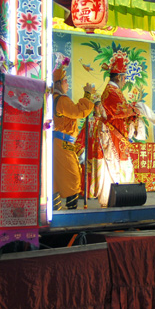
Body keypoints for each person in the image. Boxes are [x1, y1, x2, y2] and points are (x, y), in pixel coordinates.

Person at [87, 53, 139, 207]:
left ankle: (120, 197)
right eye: (124, 78)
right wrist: (135, 110)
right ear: (119, 77)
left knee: (120, 165)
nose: (125, 81)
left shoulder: (114, 91)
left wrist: (132, 115)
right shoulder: (111, 91)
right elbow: (119, 110)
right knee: (115, 166)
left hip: (117, 134)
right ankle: (114, 198)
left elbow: (119, 112)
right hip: (112, 136)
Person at [52, 62, 95, 211]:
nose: (67, 84)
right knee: (73, 178)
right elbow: (78, 111)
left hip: (61, 143)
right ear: (58, 84)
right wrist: (87, 95)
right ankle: (70, 212)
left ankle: (57, 210)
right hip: (61, 144)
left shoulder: (56, 98)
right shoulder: (61, 100)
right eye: (65, 81)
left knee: (58, 178)